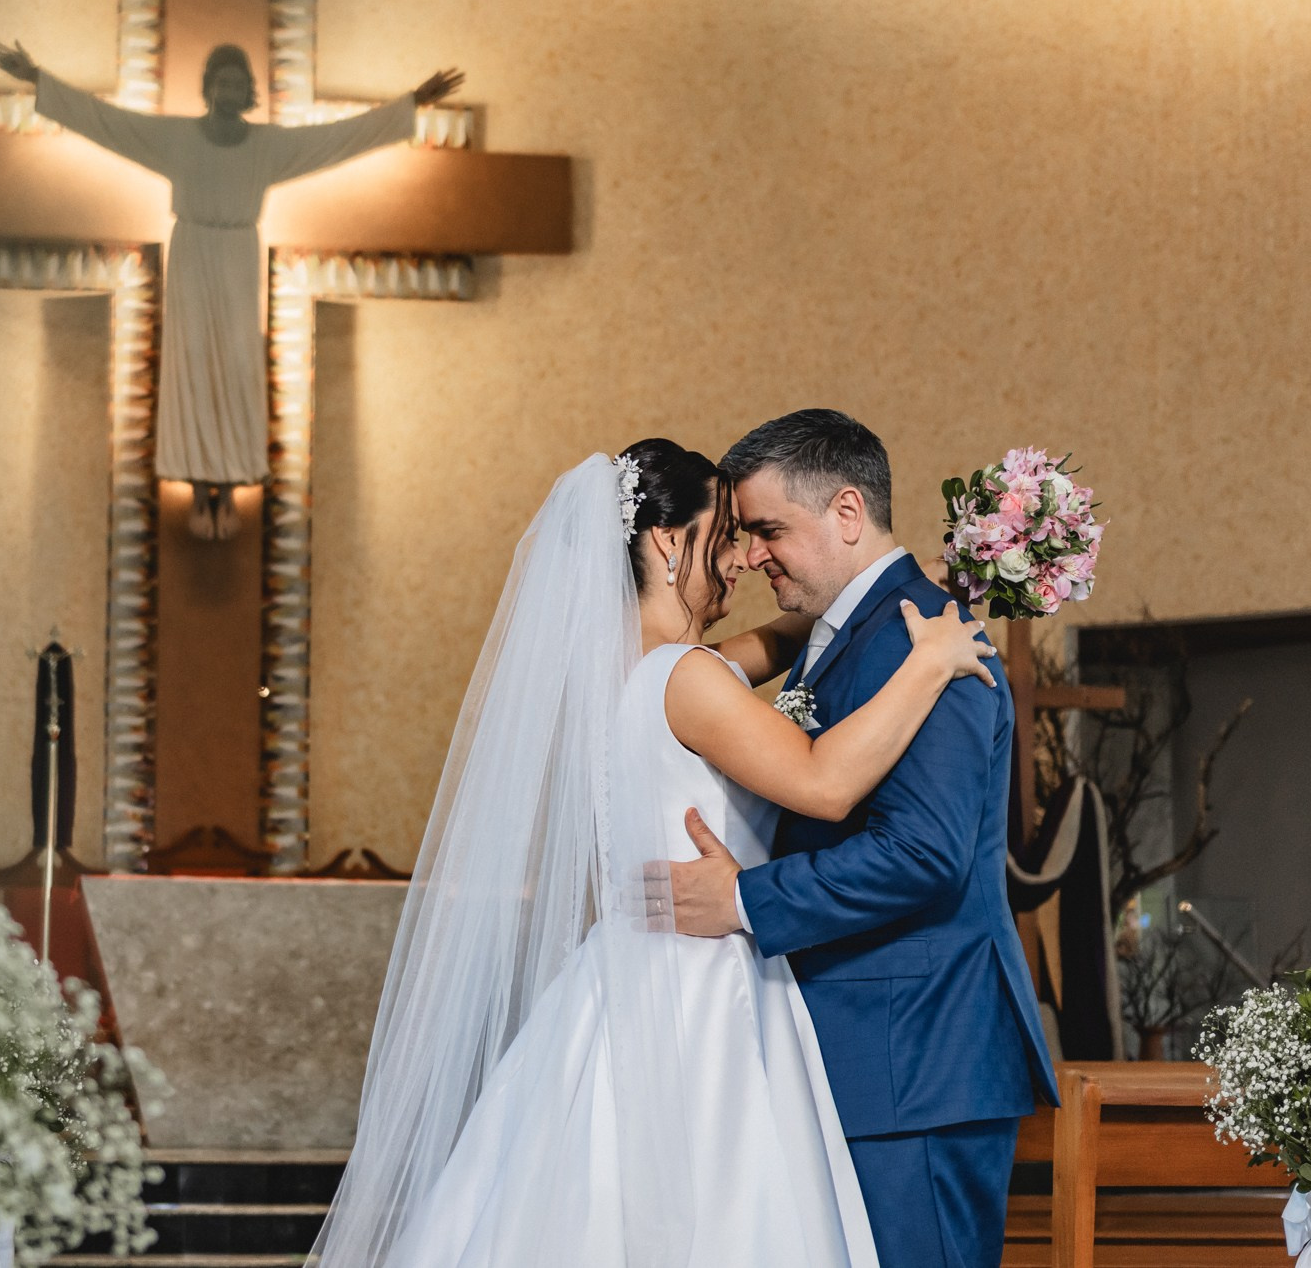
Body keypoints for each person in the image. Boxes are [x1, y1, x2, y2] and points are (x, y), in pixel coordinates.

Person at [313, 438, 998, 1268]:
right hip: (703, 989)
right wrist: (928, 661)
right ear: (668, 542)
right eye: (723, 537)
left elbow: (772, 644)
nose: (742, 560)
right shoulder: (688, 676)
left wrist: (873, 585)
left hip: (618, 985)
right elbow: (823, 785)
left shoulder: (618, 671)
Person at [664, 409, 1059, 1268]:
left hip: (915, 1056)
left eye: (769, 529)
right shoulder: (854, 633)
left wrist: (741, 898)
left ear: (847, 513)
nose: (753, 554)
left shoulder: (925, 639)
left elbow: (923, 854)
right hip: (873, 1048)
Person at [0, 38, 464, 538]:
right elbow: (108, 122)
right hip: (192, 253)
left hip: (237, 258)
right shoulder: (176, 139)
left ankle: (230, 488)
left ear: (248, 92)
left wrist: (413, 103)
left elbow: (338, 137)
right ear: (209, 88)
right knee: (192, 362)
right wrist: (37, 77)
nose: (230, 89)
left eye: (239, 82)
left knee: (236, 365)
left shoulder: (269, 146)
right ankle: (196, 488)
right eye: (222, 81)